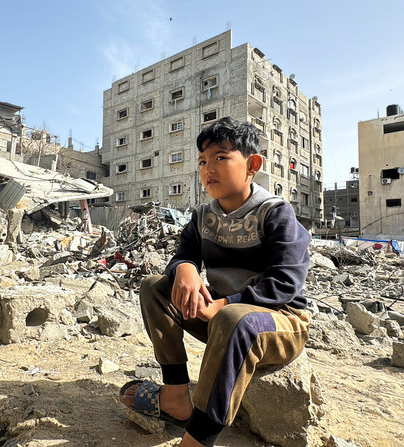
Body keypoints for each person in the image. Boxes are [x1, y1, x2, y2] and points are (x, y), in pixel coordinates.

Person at [120, 117, 311, 447]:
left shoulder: (275, 214)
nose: (209, 168)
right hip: (221, 320)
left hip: (279, 323)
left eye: (221, 158)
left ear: (253, 164)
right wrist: (185, 269)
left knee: (233, 319)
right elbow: (184, 255)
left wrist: (225, 304)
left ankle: (198, 438)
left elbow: (285, 283)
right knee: (155, 287)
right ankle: (177, 396)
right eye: (202, 161)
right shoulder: (203, 217)